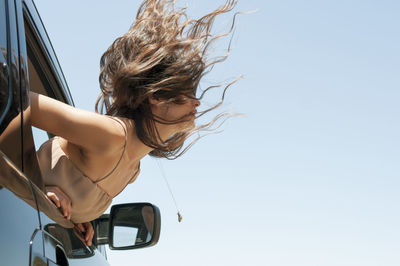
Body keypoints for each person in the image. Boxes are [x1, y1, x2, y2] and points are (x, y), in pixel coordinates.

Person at [31, 0, 238, 246]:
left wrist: (71, 219)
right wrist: (34, 187)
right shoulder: (112, 136)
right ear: (156, 97)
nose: (197, 104)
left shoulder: (133, 170)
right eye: (187, 95)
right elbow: (18, 101)